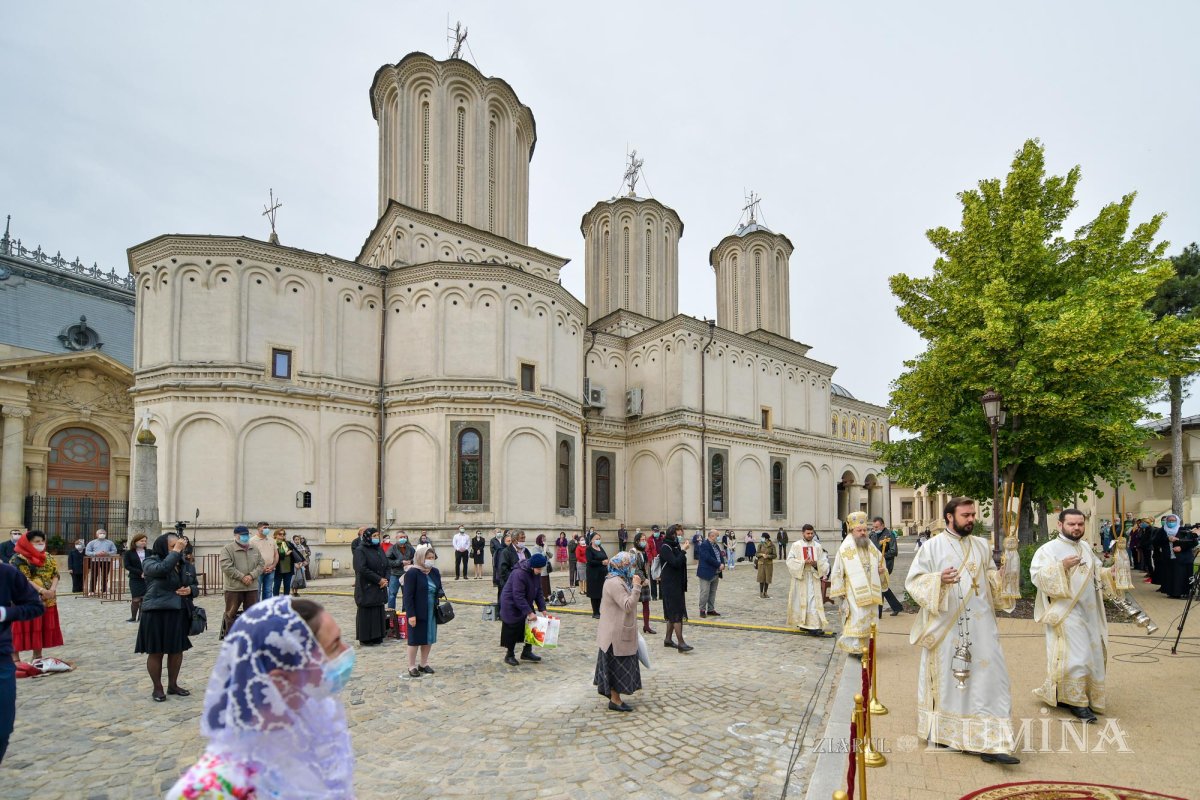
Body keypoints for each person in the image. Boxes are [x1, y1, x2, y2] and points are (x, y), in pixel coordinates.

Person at [166, 596, 355, 800]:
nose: (347, 651)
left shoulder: (319, 727)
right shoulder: (206, 791)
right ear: (281, 681)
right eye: (334, 646)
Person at [906, 497, 1019, 764]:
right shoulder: (932, 547)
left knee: (991, 680)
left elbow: (989, 577)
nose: (971, 519)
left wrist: (1002, 575)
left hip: (982, 628)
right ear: (949, 517)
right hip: (947, 628)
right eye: (966, 515)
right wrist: (938, 581)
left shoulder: (981, 545)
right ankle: (948, 733)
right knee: (953, 681)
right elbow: (914, 582)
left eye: (973, 514)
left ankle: (993, 741)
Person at [1030, 509, 1114, 724]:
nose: (1076, 528)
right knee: (1077, 656)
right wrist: (1062, 567)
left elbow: (1096, 572)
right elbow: (1037, 577)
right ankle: (1078, 703)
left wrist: (1109, 573)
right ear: (1060, 525)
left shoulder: (1085, 547)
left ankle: (1065, 694)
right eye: (1071, 524)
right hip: (1065, 612)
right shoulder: (1047, 550)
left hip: (1090, 611)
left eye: (1080, 524)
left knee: (1090, 654)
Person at [136, 532, 198, 702]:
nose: (178, 549)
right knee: (156, 651)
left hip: (177, 611)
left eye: (179, 546)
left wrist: (191, 590)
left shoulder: (185, 564)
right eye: (173, 546)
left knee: (176, 650)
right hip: (156, 611)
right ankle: (157, 687)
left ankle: (173, 684)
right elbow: (162, 569)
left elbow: (195, 585)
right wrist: (175, 551)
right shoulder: (150, 561)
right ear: (163, 546)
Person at [0, 560, 43, 765]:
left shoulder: (6, 573)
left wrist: (5, 613)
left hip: (1, 660)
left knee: (2, 729)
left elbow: (35, 606)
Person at [829, 512, 886, 655]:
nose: (862, 533)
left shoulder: (870, 545)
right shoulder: (845, 548)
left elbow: (880, 562)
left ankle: (867, 647)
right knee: (857, 618)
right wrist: (840, 592)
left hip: (871, 592)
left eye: (865, 530)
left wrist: (881, 570)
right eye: (859, 530)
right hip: (853, 592)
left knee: (869, 618)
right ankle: (855, 649)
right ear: (851, 531)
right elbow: (836, 571)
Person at [594, 551, 644, 712]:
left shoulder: (620, 579)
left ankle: (615, 698)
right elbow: (627, 605)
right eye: (630, 565)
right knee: (615, 668)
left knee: (620, 666)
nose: (632, 568)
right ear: (622, 565)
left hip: (618, 632)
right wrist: (637, 586)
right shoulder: (614, 583)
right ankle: (615, 700)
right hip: (614, 636)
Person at [9, 531, 63, 664]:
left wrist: (52, 590)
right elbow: (23, 579)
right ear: (27, 543)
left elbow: (55, 574)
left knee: (39, 626)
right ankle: (15, 658)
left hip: (47, 598)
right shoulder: (18, 559)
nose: (40, 544)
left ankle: (37, 656)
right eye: (36, 541)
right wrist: (41, 590)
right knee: (18, 628)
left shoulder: (48, 557)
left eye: (42, 541)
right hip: (24, 599)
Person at [401, 544, 443, 677]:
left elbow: (439, 587)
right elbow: (408, 596)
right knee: (415, 639)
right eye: (428, 557)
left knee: (428, 638)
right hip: (417, 611)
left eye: (432, 557)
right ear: (420, 558)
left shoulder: (434, 572)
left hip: (431, 611)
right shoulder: (413, 573)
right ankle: (411, 666)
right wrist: (411, 615)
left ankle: (423, 664)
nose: (431, 560)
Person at [499, 552, 548, 666]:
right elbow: (517, 595)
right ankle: (509, 654)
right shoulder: (519, 573)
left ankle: (527, 652)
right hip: (511, 603)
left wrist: (542, 608)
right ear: (532, 566)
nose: (540, 571)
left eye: (541, 568)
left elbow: (538, 591)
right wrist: (529, 612)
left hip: (525, 600)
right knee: (513, 628)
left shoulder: (535, 573)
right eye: (538, 569)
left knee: (531, 626)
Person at [219, 526, 264, 639]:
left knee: (252, 613)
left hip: (252, 587)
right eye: (242, 535)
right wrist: (242, 577)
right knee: (231, 613)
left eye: (247, 534)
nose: (245, 537)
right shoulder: (227, 549)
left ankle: (250, 636)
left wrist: (251, 576)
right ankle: (231, 637)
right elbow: (226, 567)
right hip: (234, 588)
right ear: (236, 535)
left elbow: (261, 564)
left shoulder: (254, 548)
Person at [786, 525, 831, 636]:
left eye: (812, 533)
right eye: (808, 533)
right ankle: (803, 624)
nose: (810, 535)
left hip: (813, 577)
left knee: (813, 602)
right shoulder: (796, 545)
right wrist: (803, 562)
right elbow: (790, 561)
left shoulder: (818, 546)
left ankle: (814, 626)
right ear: (803, 533)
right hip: (801, 577)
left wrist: (816, 564)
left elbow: (824, 562)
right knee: (800, 601)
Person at [658, 524, 693, 652]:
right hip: (670, 584)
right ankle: (681, 643)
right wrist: (683, 550)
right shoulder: (665, 547)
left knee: (673, 612)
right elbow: (675, 562)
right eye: (678, 533)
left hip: (677, 583)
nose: (680, 535)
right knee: (676, 613)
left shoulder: (675, 545)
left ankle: (668, 639)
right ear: (672, 534)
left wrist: (681, 549)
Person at [351, 527, 388, 646]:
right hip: (367, 585)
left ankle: (377, 635)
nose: (377, 538)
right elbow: (361, 568)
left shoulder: (379, 549)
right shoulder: (360, 550)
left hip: (380, 586)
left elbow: (386, 564)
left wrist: (386, 579)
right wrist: (378, 579)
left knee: (378, 610)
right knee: (367, 611)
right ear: (368, 537)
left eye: (378, 535)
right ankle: (366, 637)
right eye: (374, 536)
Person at [870, 517, 904, 616]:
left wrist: (881, 556)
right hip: (875, 564)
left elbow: (894, 551)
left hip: (886, 564)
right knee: (882, 585)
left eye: (876, 527)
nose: (875, 529)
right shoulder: (872, 535)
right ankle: (896, 607)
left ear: (882, 525)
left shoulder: (889, 535)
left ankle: (879, 612)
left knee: (880, 585)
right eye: (874, 527)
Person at [630, 532, 655, 634]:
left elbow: (645, 566)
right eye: (642, 540)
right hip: (636, 580)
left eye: (645, 540)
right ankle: (632, 626)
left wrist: (646, 578)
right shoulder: (633, 551)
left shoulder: (644, 552)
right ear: (637, 541)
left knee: (646, 604)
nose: (644, 542)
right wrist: (643, 579)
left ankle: (647, 626)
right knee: (633, 604)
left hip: (645, 580)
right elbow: (634, 568)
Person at [695, 529, 724, 617]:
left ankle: (711, 610)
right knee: (705, 592)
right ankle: (702, 610)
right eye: (717, 536)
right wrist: (718, 564)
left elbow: (720, 555)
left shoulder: (716, 545)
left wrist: (722, 563)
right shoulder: (704, 545)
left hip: (716, 572)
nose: (718, 538)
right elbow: (707, 558)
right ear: (712, 536)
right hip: (706, 573)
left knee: (712, 592)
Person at [386, 532, 416, 614]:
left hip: (407, 574)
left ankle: (405, 612)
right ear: (396, 538)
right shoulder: (392, 548)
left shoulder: (410, 548)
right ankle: (391, 612)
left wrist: (411, 562)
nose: (403, 538)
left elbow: (416, 558)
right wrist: (400, 562)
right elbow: (387, 561)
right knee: (392, 594)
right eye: (401, 537)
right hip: (395, 574)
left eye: (404, 537)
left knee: (406, 594)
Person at [497, 530, 529, 604]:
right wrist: (516, 579)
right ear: (515, 540)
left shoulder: (526, 551)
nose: (524, 540)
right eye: (522, 538)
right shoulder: (506, 552)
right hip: (511, 586)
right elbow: (503, 571)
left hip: (524, 586)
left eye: (524, 538)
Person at [123, 532, 149, 622]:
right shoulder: (129, 553)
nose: (144, 542)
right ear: (135, 541)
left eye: (145, 541)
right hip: (135, 578)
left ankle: (141, 617)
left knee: (144, 598)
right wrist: (139, 572)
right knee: (136, 599)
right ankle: (133, 617)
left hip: (147, 578)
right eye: (141, 541)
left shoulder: (150, 552)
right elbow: (127, 565)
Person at [271, 528, 305, 597]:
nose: (282, 535)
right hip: (278, 568)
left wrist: (302, 561)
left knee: (287, 585)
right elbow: (272, 555)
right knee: (277, 585)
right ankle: (275, 599)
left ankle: (286, 600)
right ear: (275, 535)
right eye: (280, 534)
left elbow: (296, 552)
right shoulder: (273, 543)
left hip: (288, 568)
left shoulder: (288, 543)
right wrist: (285, 554)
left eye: (283, 534)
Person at [84, 528, 117, 596]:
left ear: (106, 534)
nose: (102, 534)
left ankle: (104, 590)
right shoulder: (92, 542)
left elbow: (114, 551)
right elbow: (87, 552)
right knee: (94, 575)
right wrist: (96, 554)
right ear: (96, 534)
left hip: (106, 560)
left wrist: (107, 553)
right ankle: (92, 590)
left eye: (103, 533)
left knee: (105, 575)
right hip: (95, 560)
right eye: (100, 533)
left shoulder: (110, 542)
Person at [250, 522, 278, 601]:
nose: (267, 529)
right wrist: (261, 568)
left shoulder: (272, 540)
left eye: (268, 527)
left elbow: (276, 554)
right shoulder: (252, 541)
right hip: (257, 571)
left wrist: (273, 566)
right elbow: (250, 557)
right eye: (265, 527)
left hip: (271, 570)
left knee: (268, 591)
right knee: (256, 591)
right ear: (259, 529)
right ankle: (257, 610)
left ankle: (266, 609)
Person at [585, 531, 609, 618]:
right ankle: (595, 612)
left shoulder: (600, 547)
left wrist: (606, 561)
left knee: (601, 592)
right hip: (593, 574)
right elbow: (590, 561)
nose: (598, 540)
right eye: (596, 539)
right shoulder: (589, 549)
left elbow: (605, 556)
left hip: (602, 574)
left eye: (599, 539)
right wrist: (601, 562)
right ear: (591, 540)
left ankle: (600, 610)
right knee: (595, 593)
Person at [755, 532, 777, 598]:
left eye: (762, 537)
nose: (761, 538)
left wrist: (768, 556)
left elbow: (775, 555)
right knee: (761, 578)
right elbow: (757, 554)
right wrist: (762, 554)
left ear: (766, 538)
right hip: (761, 564)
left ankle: (765, 592)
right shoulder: (760, 545)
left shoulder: (772, 545)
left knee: (767, 579)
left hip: (769, 564)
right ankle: (761, 593)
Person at [646, 527, 660, 599]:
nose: (656, 532)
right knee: (652, 577)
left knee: (661, 577)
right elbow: (648, 550)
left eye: (657, 531)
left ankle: (662, 595)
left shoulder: (662, 538)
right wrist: (651, 559)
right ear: (652, 531)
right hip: (653, 560)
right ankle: (654, 595)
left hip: (661, 559)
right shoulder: (649, 539)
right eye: (655, 531)